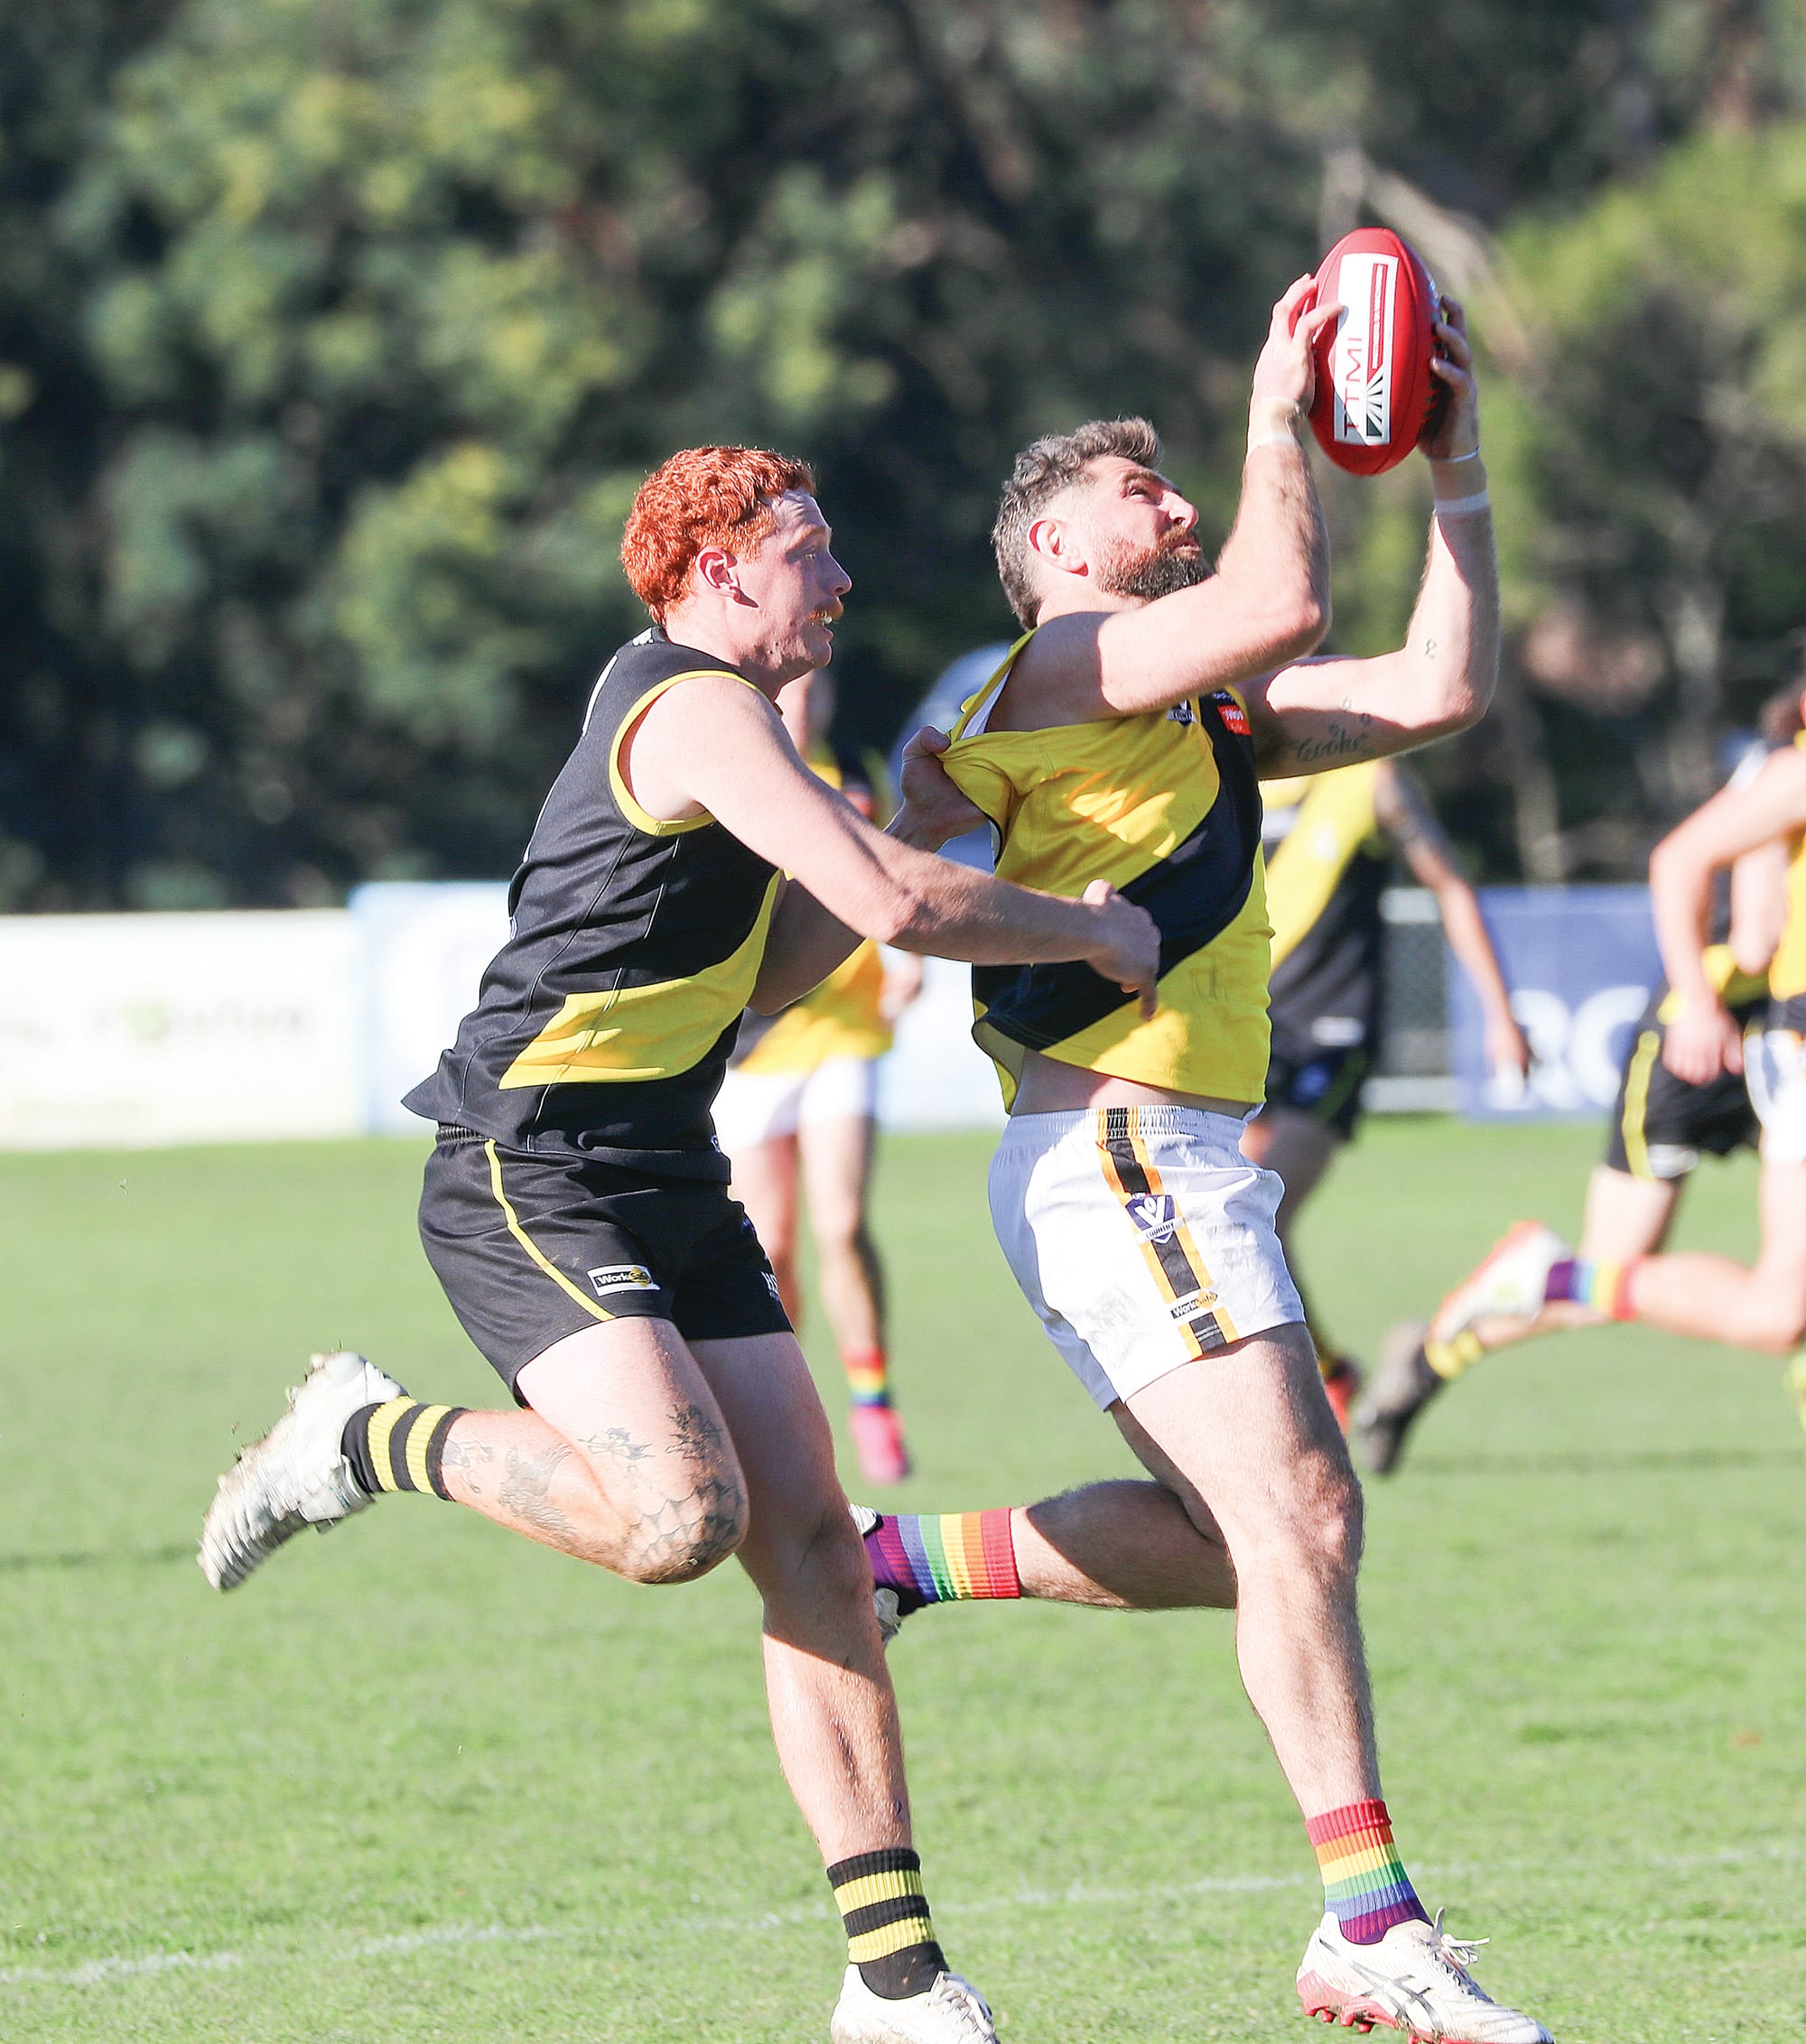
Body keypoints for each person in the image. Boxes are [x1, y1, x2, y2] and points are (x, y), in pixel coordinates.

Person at [197, 442, 1163, 2044]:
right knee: (677, 1516)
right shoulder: (693, 703)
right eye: (809, 547)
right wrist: (1085, 920)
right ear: (720, 572)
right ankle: (362, 1434)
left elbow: (776, 969)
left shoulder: (741, 727)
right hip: (529, 1159)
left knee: (808, 1539)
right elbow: (900, 906)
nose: (839, 579)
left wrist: (910, 827)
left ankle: (896, 1977)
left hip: (662, 1158)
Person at [860, 295, 1555, 2042]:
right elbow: (1288, 599)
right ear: (1048, 543)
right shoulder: (1045, 673)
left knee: (1256, 1537)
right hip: (1118, 1152)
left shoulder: (1205, 710)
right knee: (1305, 1517)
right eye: (1136, 489)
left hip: (1164, 1159)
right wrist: (1275, 399)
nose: (1171, 508)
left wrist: (1456, 466)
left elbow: (1436, 684)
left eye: (1179, 484)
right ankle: (1369, 1921)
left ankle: (898, 1558)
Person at [1353, 694, 1803, 1474]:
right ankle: (1521, 1289)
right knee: (1619, 1274)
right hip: (1709, 1037)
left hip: (1761, 1031)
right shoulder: (1788, 771)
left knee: (1685, 1292)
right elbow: (1744, 923)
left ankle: (1438, 1353)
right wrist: (1700, 1001)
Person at [1247, 757, 1530, 1425]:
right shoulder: (1228, 772)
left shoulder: (1370, 780)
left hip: (1333, 1036)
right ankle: (1331, 1375)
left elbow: (1450, 885)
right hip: (1245, 1034)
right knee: (1237, 1223)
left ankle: (1315, 1393)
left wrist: (1500, 1012)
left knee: (1258, 1211)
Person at [716, 668, 925, 1483]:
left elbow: (887, 876)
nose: (804, 704)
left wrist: (906, 960)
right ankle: (787, 1413)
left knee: (841, 1223)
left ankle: (874, 1404)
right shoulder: (735, 778)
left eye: (817, 691)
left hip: (846, 1030)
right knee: (771, 1245)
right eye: (792, 691)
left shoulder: (858, 779)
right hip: (757, 1041)